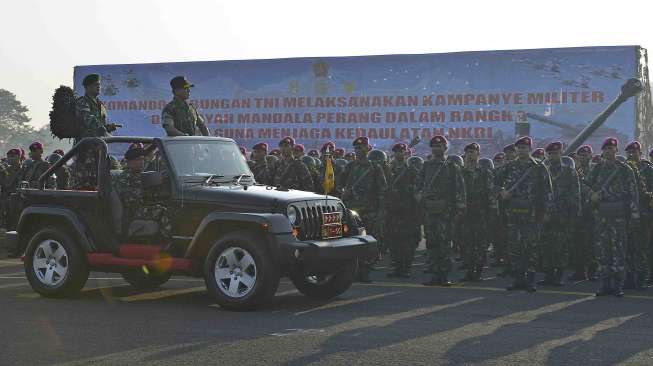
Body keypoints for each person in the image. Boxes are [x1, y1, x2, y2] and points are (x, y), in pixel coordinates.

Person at [495, 136, 552, 292]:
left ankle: (531, 279)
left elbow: (547, 191)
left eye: (524, 148)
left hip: (532, 214)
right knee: (515, 246)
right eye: (519, 148)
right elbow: (494, 182)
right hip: (513, 213)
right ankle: (518, 279)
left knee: (531, 247)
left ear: (530, 150)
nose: (521, 150)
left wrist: (546, 211)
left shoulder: (539, 167)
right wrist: (502, 192)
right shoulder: (509, 166)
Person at [586, 138, 640, 297]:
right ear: (602, 151)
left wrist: (634, 216)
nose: (609, 151)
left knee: (619, 250)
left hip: (619, 216)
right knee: (603, 250)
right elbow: (584, 185)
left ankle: (618, 285)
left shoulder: (625, 169)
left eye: (612, 148)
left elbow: (633, 193)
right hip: (602, 215)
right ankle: (605, 284)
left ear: (617, 151)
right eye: (606, 149)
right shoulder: (597, 169)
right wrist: (591, 195)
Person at [418, 135, 465, 287]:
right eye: (434, 146)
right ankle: (434, 274)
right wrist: (418, 195)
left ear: (446, 148)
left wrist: (459, 208)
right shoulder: (426, 166)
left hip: (446, 211)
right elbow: (418, 184)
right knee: (431, 243)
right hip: (430, 209)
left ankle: (444, 275)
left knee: (444, 243)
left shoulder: (452, 166)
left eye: (440, 146)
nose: (436, 148)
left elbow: (459, 188)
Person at [338, 137, 387, 283]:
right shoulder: (350, 166)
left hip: (369, 210)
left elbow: (382, 190)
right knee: (352, 240)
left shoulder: (375, 167)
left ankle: (365, 271)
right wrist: (342, 191)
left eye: (362, 148)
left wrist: (381, 211)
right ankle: (354, 269)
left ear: (368, 149)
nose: (359, 150)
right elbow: (339, 183)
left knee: (368, 241)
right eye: (357, 148)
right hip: (352, 210)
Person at [539, 141, 580, 287]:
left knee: (562, 246)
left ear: (561, 154)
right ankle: (549, 274)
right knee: (546, 245)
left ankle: (559, 275)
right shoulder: (542, 170)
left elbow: (576, 195)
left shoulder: (569, 172)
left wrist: (573, 214)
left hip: (563, 216)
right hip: (546, 216)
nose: (552, 156)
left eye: (555, 153)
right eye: (549, 154)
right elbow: (538, 193)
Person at [112, 147, 171, 240]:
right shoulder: (124, 179)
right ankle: (166, 241)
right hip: (132, 211)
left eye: (143, 159)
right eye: (138, 159)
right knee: (164, 211)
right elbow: (129, 200)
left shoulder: (139, 175)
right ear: (129, 162)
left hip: (140, 207)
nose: (142, 162)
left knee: (167, 206)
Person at [460, 142, 497, 281]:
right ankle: (469, 271)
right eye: (468, 152)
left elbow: (491, 193)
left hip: (481, 213)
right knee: (466, 243)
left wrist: (493, 212)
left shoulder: (485, 173)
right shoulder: (460, 173)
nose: (470, 154)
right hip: (465, 213)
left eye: (473, 152)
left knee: (481, 244)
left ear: (478, 154)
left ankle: (478, 271)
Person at [384, 143, 420, 278]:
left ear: (406, 153)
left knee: (407, 241)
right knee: (394, 240)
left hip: (407, 210)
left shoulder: (411, 170)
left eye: (402, 151)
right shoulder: (388, 169)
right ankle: (397, 267)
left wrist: (403, 191)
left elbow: (418, 187)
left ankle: (406, 268)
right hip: (392, 210)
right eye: (397, 151)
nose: (399, 153)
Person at [624, 141, 653, 289]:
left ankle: (641, 277)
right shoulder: (622, 170)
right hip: (626, 215)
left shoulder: (648, 171)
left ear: (640, 154)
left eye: (634, 152)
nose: (631, 155)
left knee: (642, 247)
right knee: (628, 246)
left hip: (644, 215)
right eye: (628, 152)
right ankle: (629, 277)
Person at [0, 149, 23, 227]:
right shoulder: (4, 170)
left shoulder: (24, 170)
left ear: (18, 157)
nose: (9, 158)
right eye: (9, 156)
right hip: (5, 201)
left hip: (17, 202)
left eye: (12, 156)